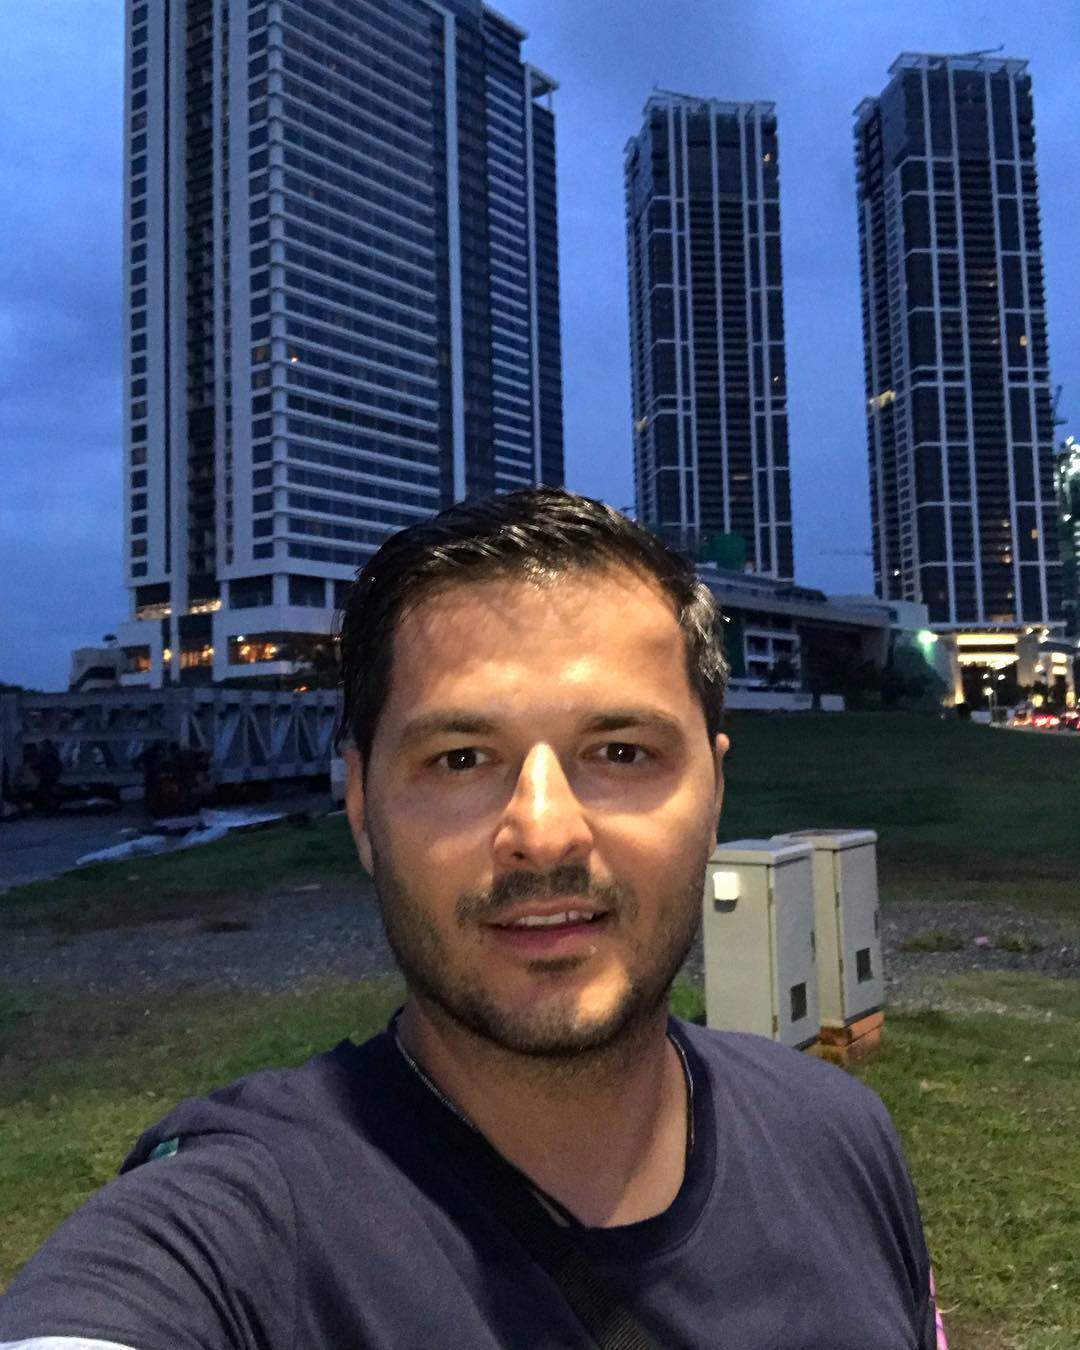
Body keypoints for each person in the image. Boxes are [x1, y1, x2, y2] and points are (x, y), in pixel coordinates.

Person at [0, 489, 939, 1349]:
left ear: (716, 792)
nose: (545, 832)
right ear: (362, 809)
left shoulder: (840, 1138)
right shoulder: (240, 1233)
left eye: (621, 751)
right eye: (460, 759)